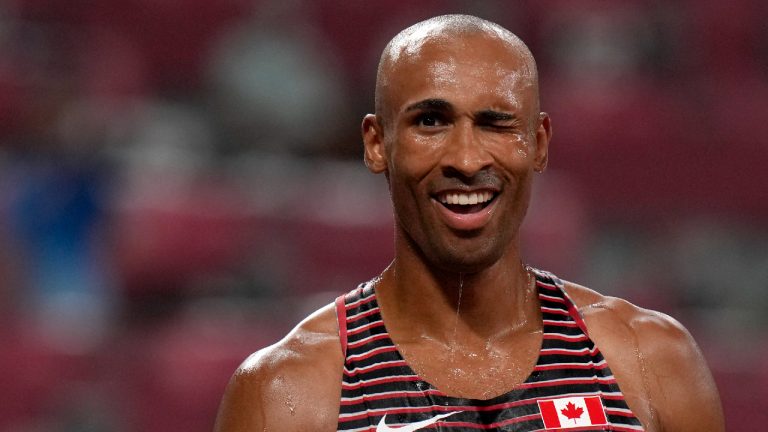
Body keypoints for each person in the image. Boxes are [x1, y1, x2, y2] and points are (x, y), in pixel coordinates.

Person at [214, 14, 724, 431]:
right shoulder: (288, 397)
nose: (465, 157)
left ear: (540, 144)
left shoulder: (653, 363)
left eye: (495, 123)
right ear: (376, 144)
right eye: (430, 122)